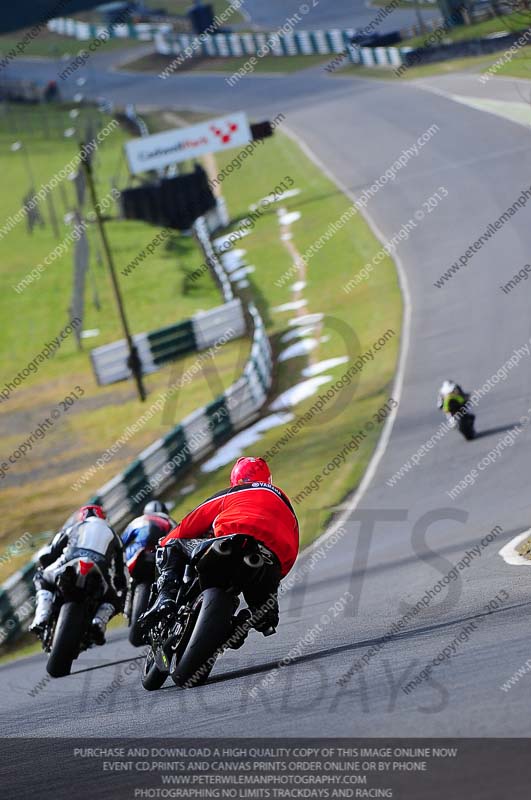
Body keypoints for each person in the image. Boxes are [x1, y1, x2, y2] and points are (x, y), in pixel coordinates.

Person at [141, 457, 299, 640]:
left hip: (232, 541)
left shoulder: (236, 492)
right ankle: (244, 622)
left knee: (173, 546)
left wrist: (164, 542)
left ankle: (166, 597)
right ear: (268, 479)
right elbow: (293, 550)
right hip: (271, 560)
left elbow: (189, 524)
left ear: (235, 480)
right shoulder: (287, 507)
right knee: (267, 615)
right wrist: (275, 574)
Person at [29, 504, 127, 645]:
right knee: (114, 599)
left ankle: (42, 616)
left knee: (41, 578)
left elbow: (53, 550)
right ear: (103, 517)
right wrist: (120, 589)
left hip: (68, 562)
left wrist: (46, 562)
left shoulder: (73, 527)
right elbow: (120, 569)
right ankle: (98, 622)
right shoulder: (114, 535)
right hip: (99, 569)